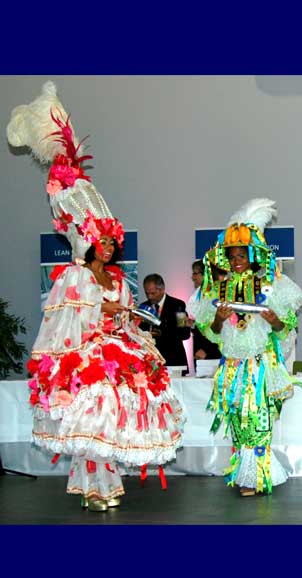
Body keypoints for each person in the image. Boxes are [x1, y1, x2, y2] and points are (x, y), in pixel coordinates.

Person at [9, 80, 184, 512]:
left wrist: (128, 320)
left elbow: (123, 317)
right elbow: (67, 319)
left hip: (115, 350)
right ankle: (94, 486)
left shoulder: (121, 281)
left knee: (112, 418)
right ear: (89, 243)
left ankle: (103, 485)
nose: (107, 248)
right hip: (85, 353)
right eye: (101, 242)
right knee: (91, 416)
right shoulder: (76, 277)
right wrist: (100, 310)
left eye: (111, 243)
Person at [189, 198, 302, 496]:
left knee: (257, 417)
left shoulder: (270, 286)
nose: (238, 259)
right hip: (230, 367)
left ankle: (258, 474)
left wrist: (274, 319)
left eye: (242, 254)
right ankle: (245, 473)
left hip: (259, 364)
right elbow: (213, 334)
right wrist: (217, 318)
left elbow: (285, 329)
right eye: (233, 255)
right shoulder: (217, 289)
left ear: (253, 254)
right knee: (238, 420)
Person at [139, 273, 191, 367]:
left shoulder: (178, 305)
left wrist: (162, 333)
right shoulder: (143, 307)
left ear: (162, 289)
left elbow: (185, 333)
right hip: (151, 361)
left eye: (153, 293)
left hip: (174, 360)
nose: (150, 297)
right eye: (147, 293)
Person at [188, 260, 221, 362]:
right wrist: (192, 324)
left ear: (206, 274)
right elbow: (202, 324)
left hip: (213, 353)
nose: (192, 277)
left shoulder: (216, 294)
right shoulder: (199, 295)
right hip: (199, 351)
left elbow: (219, 328)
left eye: (195, 273)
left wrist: (207, 350)